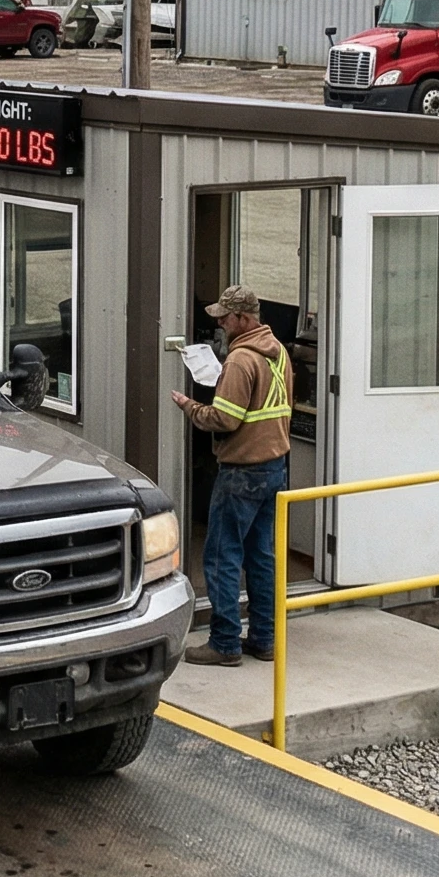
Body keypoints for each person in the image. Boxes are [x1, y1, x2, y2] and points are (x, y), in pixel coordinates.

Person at [172, 283, 294, 668]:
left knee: (223, 555)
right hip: (275, 469)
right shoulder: (278, 353)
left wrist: (190, 406)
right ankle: (264, 639)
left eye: (225, 318)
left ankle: (224, 642)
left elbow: (224, 418)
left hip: (241, 472)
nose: (221, 324)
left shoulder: (241, 361)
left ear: (243, 318)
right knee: (261, 557)